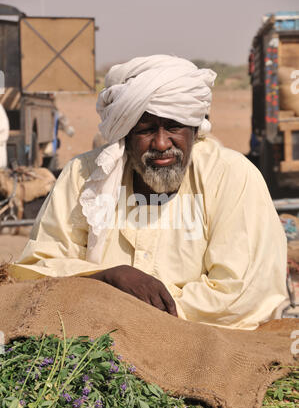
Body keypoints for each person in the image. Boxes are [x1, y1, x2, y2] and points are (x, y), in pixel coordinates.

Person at [9, 55, 288, 330]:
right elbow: (38, 267)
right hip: (96, 338)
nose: (162, 143)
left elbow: (242, 292)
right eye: (146, 130)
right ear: (126, 134)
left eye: (175, 127)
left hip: (205, 341)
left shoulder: (231, 175)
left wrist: (145, 312)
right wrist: (106, 277)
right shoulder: (83, 175)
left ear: (194, 128)